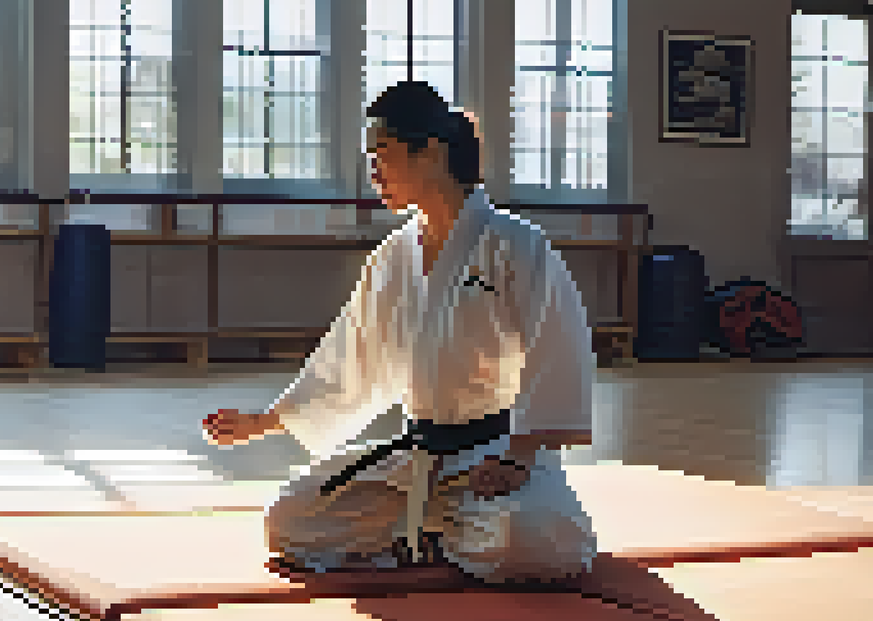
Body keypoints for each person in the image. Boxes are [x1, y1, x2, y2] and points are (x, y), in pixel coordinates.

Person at [202, 81, 597, 585]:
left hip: (498, 455)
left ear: (429, 151)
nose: (374, 173)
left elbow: (558, 350)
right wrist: (265, 422)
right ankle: (437, 531)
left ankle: (425, 531)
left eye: (382, 154)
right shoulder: (392, 256)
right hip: (418, 458)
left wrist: (519, 458)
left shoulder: (516, 245)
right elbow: (352, 355)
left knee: (539, 539)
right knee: (289, 519)